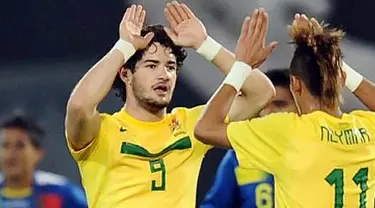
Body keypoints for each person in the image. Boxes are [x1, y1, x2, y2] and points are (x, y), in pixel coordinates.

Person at [65, 2, 276, 207]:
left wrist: (205, 45)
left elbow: (261, 93)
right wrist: (123, 47)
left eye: (171, 67)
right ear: (126, 74)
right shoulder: (100, 131)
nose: (164, 75)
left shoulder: (193, 125)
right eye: (152, 65)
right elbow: (79, 106)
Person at [194, 12, 375, 208]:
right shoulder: (367, 128)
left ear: (295, 85)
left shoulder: (286, 131)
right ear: (340, 79)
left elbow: (205, 129)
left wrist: (242, 67)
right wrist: (333, 63)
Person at [201, 69, 296, 208]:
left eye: (280, 104)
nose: (268, 112)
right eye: (264, 106)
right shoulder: (239, 155)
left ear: (300, 106)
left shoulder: (319, 150)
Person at [0, 113, 87, 208]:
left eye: (20, 146)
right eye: (5, 146)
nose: (11, 154)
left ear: (38, 152)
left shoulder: (61, 192)